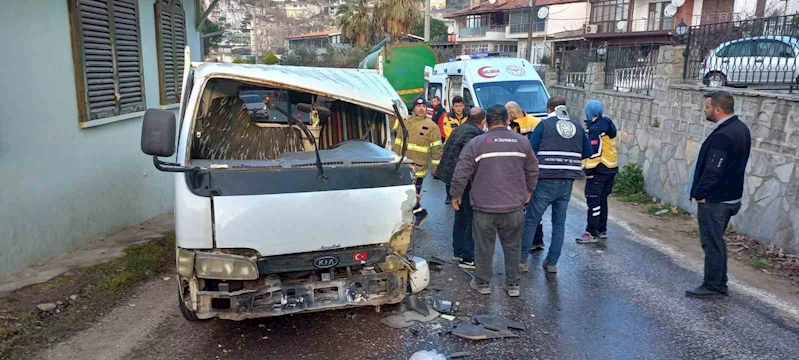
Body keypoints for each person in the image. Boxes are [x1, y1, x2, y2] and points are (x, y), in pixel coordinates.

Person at [450, 105, 539, 297]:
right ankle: (513, 284)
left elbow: (461, 172)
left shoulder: (477, 143)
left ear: (486, 122)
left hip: (484, 207)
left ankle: (482, 283)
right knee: (513, 246)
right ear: (508, 121)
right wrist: (529, 190)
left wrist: (455, 195)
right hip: (514, 206)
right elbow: (533, 170)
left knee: (484, 247)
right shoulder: (522, 143)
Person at [685, 90, 751, 299]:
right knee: (717, 241)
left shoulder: (724, 135)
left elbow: (714, 169)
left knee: (712, 242)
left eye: (707, 107)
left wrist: (700, 194)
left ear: (718, 109)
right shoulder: (740, 128)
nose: (705, 111)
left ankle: (714, 285)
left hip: (716, 200)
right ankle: (718, 282)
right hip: (731, 196)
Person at [520, 97, 592, 274]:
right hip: (567, 181)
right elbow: (588, 152)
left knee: (532, 220)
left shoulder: (544, 125)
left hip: (544, 180)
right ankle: (551, 263)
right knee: (559, 222)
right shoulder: (577, 126)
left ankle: (521, 261)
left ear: (548, 109)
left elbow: (530, 151)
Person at [434, 107, 486, 269]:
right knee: (471, 218)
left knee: (461, 216)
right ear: (483, 120)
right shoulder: (473, 134)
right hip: (464, 182)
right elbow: (467, 162)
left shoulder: (462, 128)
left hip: (454, 179)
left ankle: (458, 251)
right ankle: (467, 257)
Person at [392, 97, 443, 227]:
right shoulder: (404, 121)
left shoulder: (432, 127)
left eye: (424, 106)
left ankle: (415, 217)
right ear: (413, 108)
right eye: (418, 106)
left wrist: (435, 169)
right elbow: (390, 122)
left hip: (417, 168)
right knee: (401, 195)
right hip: (400, 164)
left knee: (411, 196)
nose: (421, 108)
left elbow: (437, 149)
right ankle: (418, 214)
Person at [507, 101, 546, 269]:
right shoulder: (537, 122)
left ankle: (522, 242)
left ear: (512, 114)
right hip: (534, 170)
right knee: (535, 207)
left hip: (519, 171)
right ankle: (537, 240)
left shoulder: (512, 127)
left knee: (520, 207)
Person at [577, 100, 619, 244]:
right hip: (611, 168)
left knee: (593, 200)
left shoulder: (596, 129)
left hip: (599, 169)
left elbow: (595, 152)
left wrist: (587, 170)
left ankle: (591, 232)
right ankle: (602, 230)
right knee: (602, 200)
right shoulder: (607, 123)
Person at [440, 96, 468, 205]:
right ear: (452, 107)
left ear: (463, 106)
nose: (458, 108)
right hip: (452, 147)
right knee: (450, 171)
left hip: (465, 147)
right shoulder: (448, 117)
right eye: (456, 106)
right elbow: (448, 133)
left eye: (460, 106)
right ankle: (449, 195)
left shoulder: (468, 117)